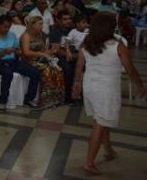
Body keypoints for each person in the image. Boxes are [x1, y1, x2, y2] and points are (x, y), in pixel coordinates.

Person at [73, 12, 147, 175]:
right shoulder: (117, 45)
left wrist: (77, 83)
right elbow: (130, 69)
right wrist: (140, 86)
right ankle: (89, 162)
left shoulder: (87, 42)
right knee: (100, 123)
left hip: (90, 86)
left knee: (101, 119)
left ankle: (109, 150)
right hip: (106, 89)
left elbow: (79, 65)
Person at [0, 15, 40, 112]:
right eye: (5, 26)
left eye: (9, 27)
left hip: (12, 60)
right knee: (8, 73)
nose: (7, 29)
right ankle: (2, 101)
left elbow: (18, 50)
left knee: (34, 71)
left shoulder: (12, 35)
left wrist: (17, 51)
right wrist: (3, 52)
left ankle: (29, 98)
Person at [21, 16, 65, 109]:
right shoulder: (26, 36)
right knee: (47, 71)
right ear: (32, 25)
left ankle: (55, 98)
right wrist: (41, 54)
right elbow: (26, 52)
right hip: (29, 61)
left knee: (58, 69)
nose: (42, 26)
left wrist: (51, 51)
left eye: (42, 24)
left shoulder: (41, 34)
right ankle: (45, 100)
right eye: (39, 24)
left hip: (40, 59)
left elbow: (44, 50)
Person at [48, 10, 76, 103]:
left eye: (69, 19)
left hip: (74, 55)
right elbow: (56, 50)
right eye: (65, 19)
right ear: (58, 20)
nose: (68, 21)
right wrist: (71, 55)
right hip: (59, 57)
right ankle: (67, 96)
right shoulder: (55, 31)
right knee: (68, 69)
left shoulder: (73, 29)